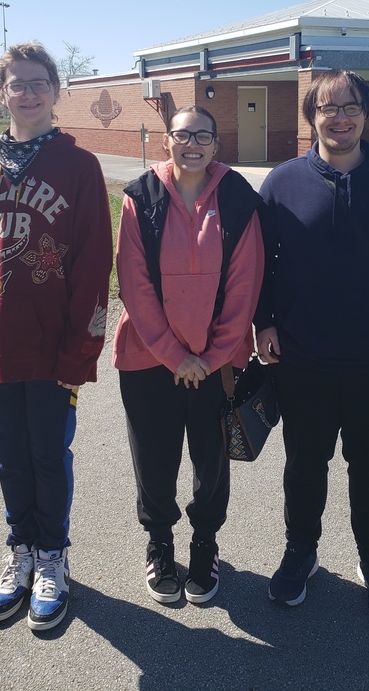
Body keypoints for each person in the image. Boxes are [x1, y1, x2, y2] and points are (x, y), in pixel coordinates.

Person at [0, 41, 112, 632]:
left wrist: (81, 349)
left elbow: (92, 265)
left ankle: (53, 555)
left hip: (51, 345)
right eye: (16, 83)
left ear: (56, 93)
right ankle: (21, 551)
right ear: (1, 93)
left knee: (47, 453)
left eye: (39, 83)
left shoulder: (79, 167)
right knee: (10, 457)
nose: (28, 93)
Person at [255, 68, 369, 619]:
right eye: (327, 108)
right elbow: (259, 265)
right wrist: (263, 322)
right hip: (301, 359)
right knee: (304, 465)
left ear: (365, 113)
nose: (339, 118)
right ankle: (300, 554)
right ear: (312, 117)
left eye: (351, 107)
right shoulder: (282, 182)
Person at [114, 105, 264, 605]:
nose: (192, 143)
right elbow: (134, 285)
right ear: (166, 141)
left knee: (211, 459)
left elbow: (246, 283)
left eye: (203, 135)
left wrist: (215, 353)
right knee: (154, 460)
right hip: (147, 360)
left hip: (217, 364)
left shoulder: (239, 198)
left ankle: (205, 542)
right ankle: (160, 543)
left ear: (216, 145)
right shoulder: (141, 198)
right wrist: (174, 355)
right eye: (183, 135)